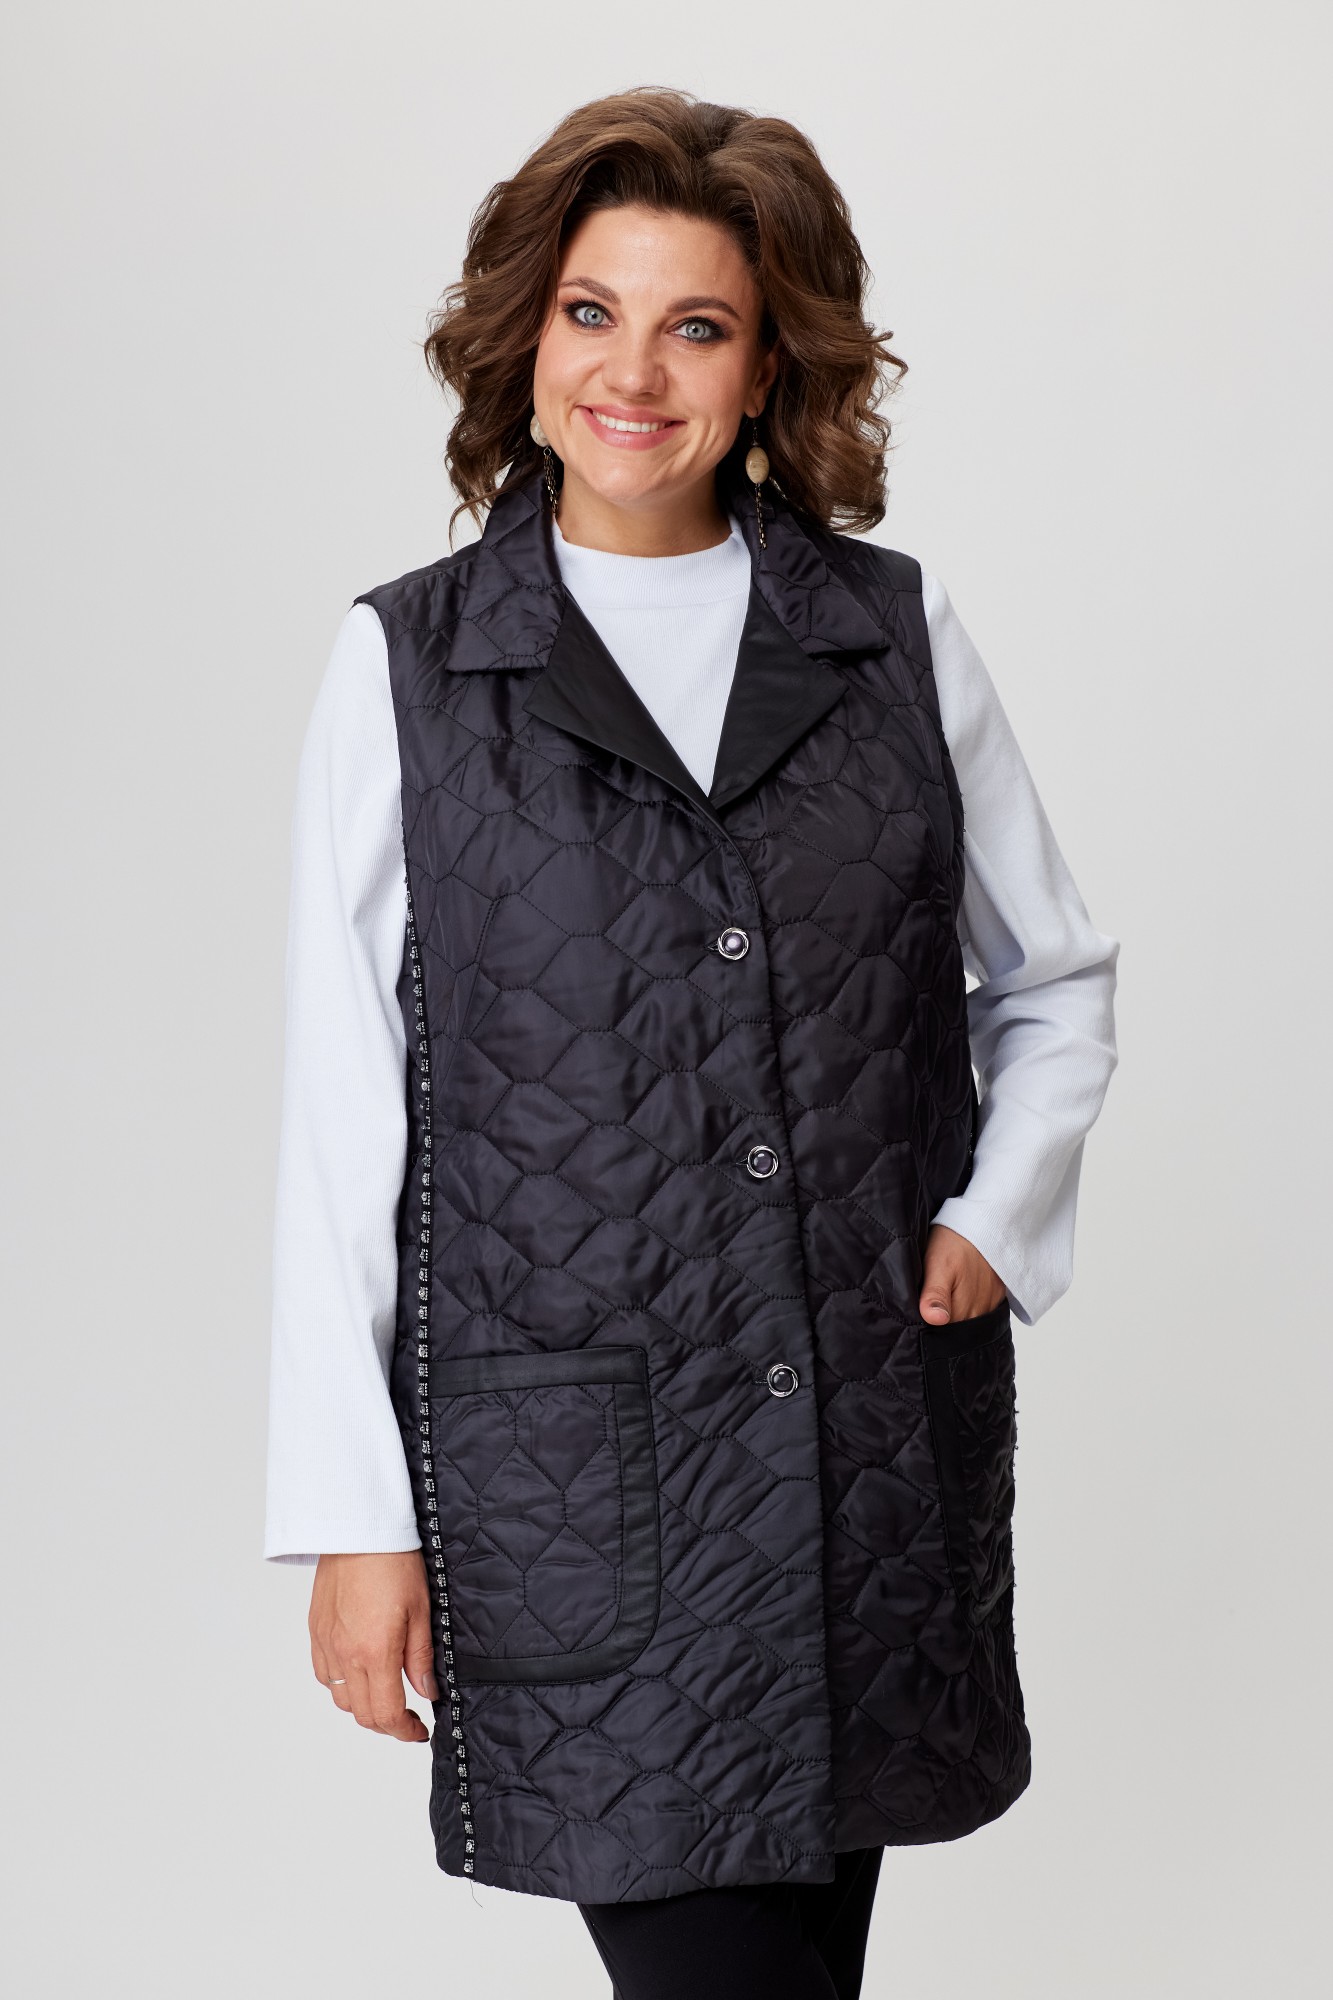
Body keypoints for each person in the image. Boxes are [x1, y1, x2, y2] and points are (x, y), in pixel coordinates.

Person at [264, 87, 1119, 2000]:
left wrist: (997, 1216)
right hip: (578, 1497)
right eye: (591, 312)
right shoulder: (409, 665)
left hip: (860, 1461)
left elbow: (1054, 977)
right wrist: (347, 1520)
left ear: (767, 369)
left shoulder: (891, 634)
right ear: (526, 336)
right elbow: (342, 1120)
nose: (631, 374)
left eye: (696, 326)